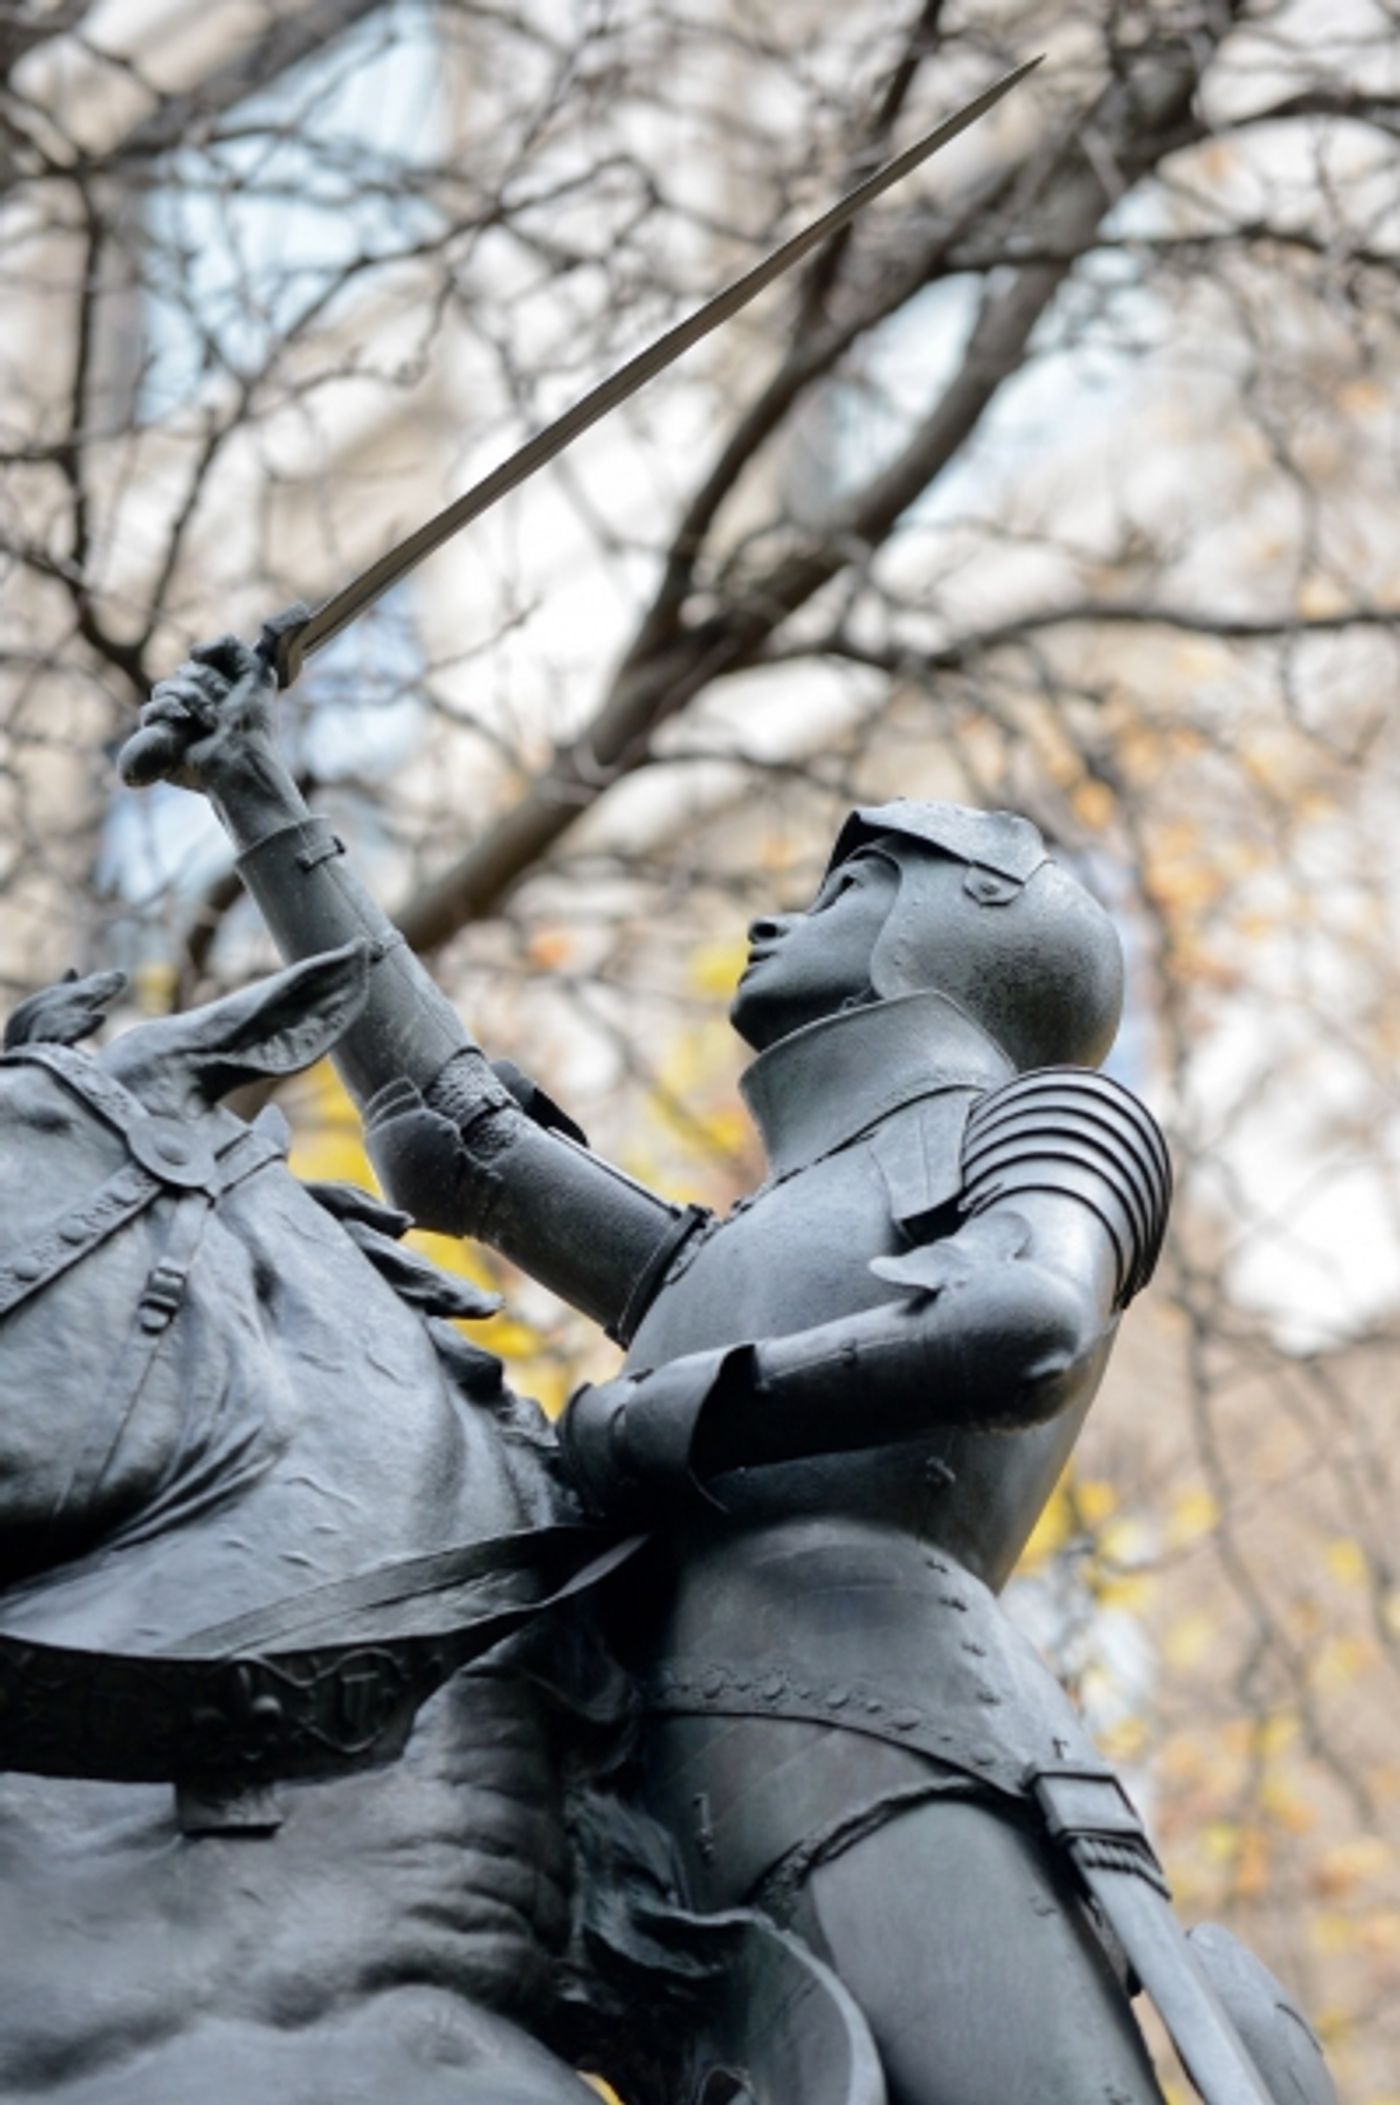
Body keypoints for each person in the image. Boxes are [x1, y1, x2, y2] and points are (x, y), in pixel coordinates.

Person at [123, 635, 1333, 2105]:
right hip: (617, 1758)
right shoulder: (725, 1249)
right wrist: (257, 789)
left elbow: (1028, 1320)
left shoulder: (1051, 1118)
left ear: (955, 928)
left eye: (835, 894)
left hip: (881, 1726)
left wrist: (684, 1408)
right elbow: (456, 1141)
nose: (775, 917)